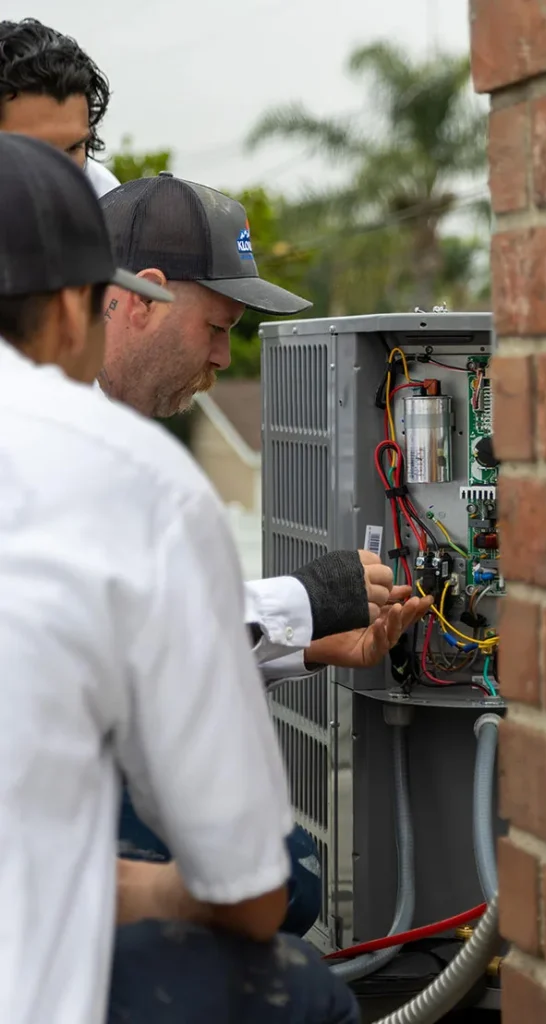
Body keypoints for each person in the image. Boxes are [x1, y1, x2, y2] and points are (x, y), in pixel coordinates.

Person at [0, 130, 360, 1024]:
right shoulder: (134, 480)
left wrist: (301, 642)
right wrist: (154, 892)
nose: (224, 359)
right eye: (219, 330)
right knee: (296, 926)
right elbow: (248, 885)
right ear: (108, 302)